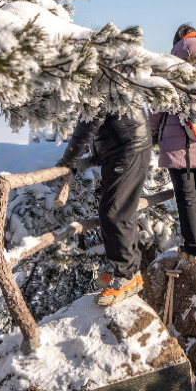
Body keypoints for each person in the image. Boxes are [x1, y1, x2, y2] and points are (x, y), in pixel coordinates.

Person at [57, 106, 152, 306]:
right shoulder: (100, 80)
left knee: (113, 212)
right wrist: (98, 154)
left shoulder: (95, 80)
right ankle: (131, 272)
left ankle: (125, 275)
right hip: (125, 147)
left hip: (127, 148)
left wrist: (68, 160)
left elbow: (89, 121)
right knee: (123, 210)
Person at [149, 27, 196, 265]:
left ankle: (192, 249)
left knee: (186, 197)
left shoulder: (170, 71)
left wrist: (152, 132)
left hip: (179, 144)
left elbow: (156, 111)